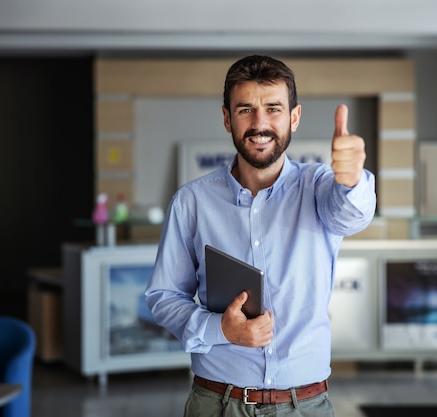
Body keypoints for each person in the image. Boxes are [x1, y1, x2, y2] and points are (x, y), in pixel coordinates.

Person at [145, 55, 376, 417]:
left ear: (294, 117)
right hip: (216, 403)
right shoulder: (191, 202)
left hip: (306, 406)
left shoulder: (318, 187)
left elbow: (351, 213)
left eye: (273, 109)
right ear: (227, 118)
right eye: (245, 110)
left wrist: (352, 179)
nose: (260, 123)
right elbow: (163, 296)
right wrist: (219, 328)